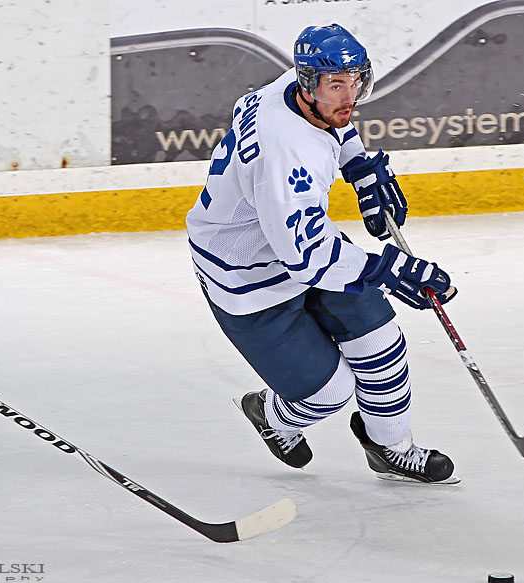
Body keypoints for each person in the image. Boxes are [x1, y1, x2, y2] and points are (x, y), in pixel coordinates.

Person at [185, 25, 459, 484]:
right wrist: (389, 269)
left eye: (356, 82)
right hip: (245, 276)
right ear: (309, 84)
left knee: (381, 342)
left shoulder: (288, 89)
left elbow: (339, 122)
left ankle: (391, 448)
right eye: (337, 86)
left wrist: (358, 168)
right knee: (329, 393)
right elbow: (309, 261)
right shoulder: (288, 153)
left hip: (296, 237)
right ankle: (270, 416)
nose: (348, 96)